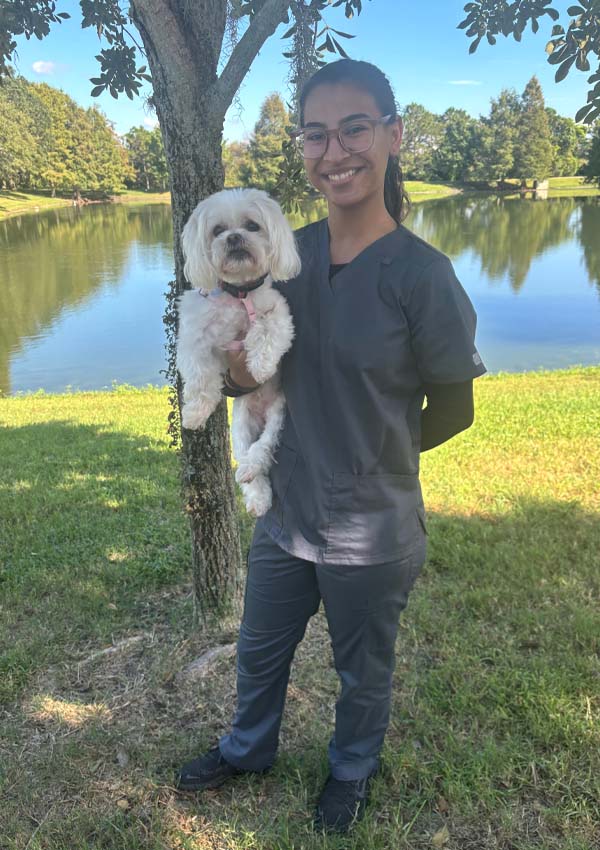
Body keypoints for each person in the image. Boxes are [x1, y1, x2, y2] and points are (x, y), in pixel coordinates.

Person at [176, 59, 487, 834]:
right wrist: (236, 376)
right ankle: (247, 749)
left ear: (392, 135)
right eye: (316, 133)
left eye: (354, 128)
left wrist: (374, 458)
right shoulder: (284, 255)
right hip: (286, 511)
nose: (334, 149)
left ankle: (350, 770)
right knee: (258, 650)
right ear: (304, 148)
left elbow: (454, 409)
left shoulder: (423, 276)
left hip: (372, 527)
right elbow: (251, 380)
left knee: (362, 669)